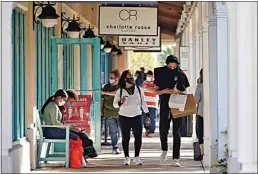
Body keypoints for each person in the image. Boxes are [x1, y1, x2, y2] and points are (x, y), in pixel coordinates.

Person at [154, 55, 190, 167]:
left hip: (177, 103)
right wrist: (164, 91)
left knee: (177, 131)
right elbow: (156, 91)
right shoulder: (160, 72)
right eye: (170, 65)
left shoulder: (180, 74)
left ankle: (176, 158)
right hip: (164, 102)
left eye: (174, 65)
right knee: (163, 128)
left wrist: (176, 91)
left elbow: (184, 89)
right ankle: (164, 149)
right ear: (167, 64)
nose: (172, 67)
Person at [41, 89, 87, 167]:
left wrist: (70, 127)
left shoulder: (54, 105)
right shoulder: (53, 106)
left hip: (52, 130)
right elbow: (55, 123)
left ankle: (77, 160)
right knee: (75, 137)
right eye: (64, 100)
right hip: (51, 131)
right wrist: (69, 128)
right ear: (58, 97)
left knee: (76, 135)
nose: (64, 102)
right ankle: (75, 161)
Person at [113, 70, 150, 166]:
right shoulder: (120, 91)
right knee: (126, 138)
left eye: (132, 76)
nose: (131, 78)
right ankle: (126, 157)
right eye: (129, 76)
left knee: (138, 137)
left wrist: (147, 114)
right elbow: (115, 105)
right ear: (124, 79)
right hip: (124, 116)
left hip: (137, 115)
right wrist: (120, 102)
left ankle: (137, 157)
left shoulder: (139, 89)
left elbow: (143, 102)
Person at [101, 69, 121, 155]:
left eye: (112, 77)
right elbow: (102, 100)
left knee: (119, 131)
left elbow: (117, 93)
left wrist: (105, 92)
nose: (110, 79)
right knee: (113, 131)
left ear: (117, 78)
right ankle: (115, 147)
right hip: (109, 112)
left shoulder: (121, 87)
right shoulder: (106, 86)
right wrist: (101, 110)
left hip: (120, 113)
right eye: (110, 77)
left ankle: (117, 144)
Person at [142, 70, 159, 137]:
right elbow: (142, 90)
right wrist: (149, 88)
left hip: (153, 104)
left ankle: (151, 131)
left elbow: (155, 90)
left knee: (152, 118)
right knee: (145, 118)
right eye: (148, 76)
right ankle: (147, 129)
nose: (149, 77)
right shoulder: (144, 82)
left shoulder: (156, 82)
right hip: (145, 104)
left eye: (150, 76)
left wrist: (147, 88)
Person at [195, 69, 204, 161]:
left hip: (201, 112)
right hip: (211, 114)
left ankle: (202, 153)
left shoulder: (200, 86)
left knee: (200, 132)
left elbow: (196, 100)